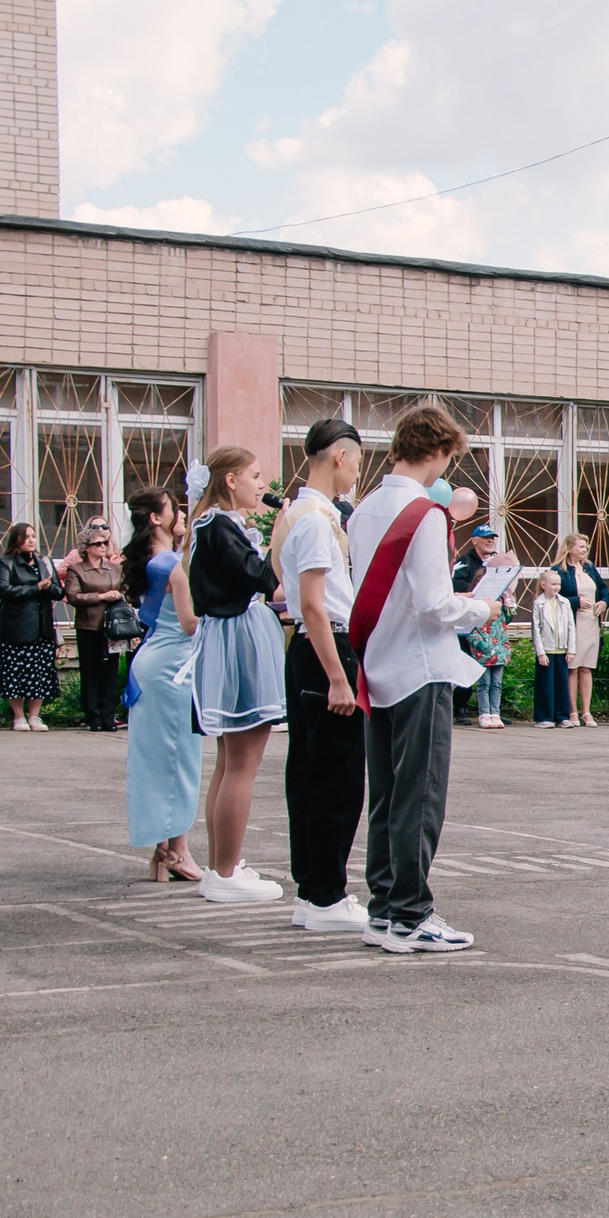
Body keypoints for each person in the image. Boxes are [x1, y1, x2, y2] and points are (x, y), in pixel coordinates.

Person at [347, 404, 498, 952]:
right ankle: (411, 912)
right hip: (421, 665)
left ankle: (385, 908)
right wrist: (482, 607)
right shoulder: (425, 514)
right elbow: (436, 604)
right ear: (439, 451)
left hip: (379, 662)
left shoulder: (366, 509)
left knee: (387, 794)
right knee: (422, 793)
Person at [183, 449, 287, 902]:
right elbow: (263, 577)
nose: (261, 485)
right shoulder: (219, 525)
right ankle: (224, 872)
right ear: (229, 480)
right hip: (237, 637)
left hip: (229, 636)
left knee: (229, 762)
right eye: (255, 475)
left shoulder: (212, 524)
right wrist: (283, 528)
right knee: (241, 761)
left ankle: (221, 865)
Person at [276, 418, 368, 929]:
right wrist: (338, 676)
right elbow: (312, 604)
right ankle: (327, 896)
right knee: (336, 779)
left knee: (311, 777)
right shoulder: (314, 518)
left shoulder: (299, 514)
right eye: (356, 458)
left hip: (313, 649)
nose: (357, 469)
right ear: (338, 455)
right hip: (325, 646)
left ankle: (313, 892)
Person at [120, 489, 203, 882]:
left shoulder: (151, 561)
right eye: (175, 508)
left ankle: (162, 850)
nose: (182, 514)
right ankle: (178, 850)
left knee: (156, 759)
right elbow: (190, 624)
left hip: (151, 661)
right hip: (173, 666)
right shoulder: (172, 563)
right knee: (177, 759)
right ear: (156, 518)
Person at [0, 522, 62, 729]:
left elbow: (58, 591)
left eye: (33, 536)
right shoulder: (5, 563)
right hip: (17, 626)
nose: (31, 540)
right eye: (26, 537)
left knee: (40, 671)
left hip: (42, 625)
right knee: (15, 671)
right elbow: (4, 590)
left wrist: (48, 587)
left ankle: (34, 716)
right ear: (17, 540)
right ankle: (18, 716)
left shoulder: (44, 561)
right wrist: (35, 587)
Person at [60, 524, 127, 731]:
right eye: (97, 543)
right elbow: (73, 596)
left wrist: (122, 596)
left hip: (112, 628)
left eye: (105, 543)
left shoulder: (115, 568)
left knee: (109, 672)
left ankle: (108, 716)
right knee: (91, 672)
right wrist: (101, 596)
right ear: (86, 548)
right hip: (88, 626)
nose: (102, 546)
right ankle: (93, 717)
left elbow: (126, 588)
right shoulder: (76, 569)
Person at [453, 528, 511, 727]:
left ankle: (492, 711)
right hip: (469, 620)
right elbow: (456, 586)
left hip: (491, 621)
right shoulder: (464, 562)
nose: (490, 541)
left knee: (493, 675)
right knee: (467, 663)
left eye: (492, 538)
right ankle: (461, 707)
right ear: (474, 541)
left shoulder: (495, 562)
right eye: (486, 538)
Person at [553, 534, 609, 728]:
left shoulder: (589, 567)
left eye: (586, 547)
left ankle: (586, 711)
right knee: (573, 667)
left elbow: (603, 588)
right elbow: (555, 597)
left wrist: (603, 602)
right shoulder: (559, 570)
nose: (585, 550)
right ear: (569, 548)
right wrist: (576, 601)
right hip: (573, 621)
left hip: (591, 622)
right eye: (581, 547)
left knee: (586, 667)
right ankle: (572, 711)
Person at [529, 569, 577, 728]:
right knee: (546, 685)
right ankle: (544, 717)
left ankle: (562, 716)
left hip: (561, 649)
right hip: (547, 650)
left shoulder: (565, 602)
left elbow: (571, 627)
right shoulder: (539, 603)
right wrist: (540, 652)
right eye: (553, 584)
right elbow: (536, 630)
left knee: (562, 684)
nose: (557, 587)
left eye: (559, 584)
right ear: (543, 584)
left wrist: (571, 649)